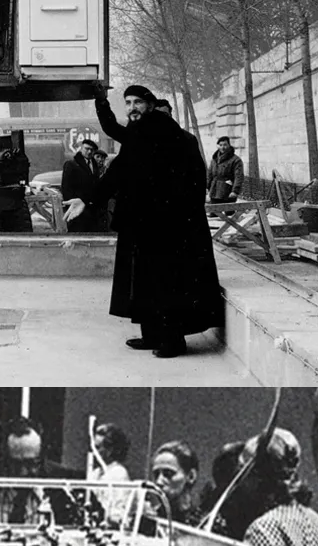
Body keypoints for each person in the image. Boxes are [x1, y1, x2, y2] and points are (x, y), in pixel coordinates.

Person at [90, 82, 224, 358]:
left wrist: (90, 199)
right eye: (127, 103)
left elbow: (190, 183)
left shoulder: (165, 133)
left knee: (165, 282)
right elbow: (119, 152)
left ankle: (173, 342)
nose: (132, 108)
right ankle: (151, 336)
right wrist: (101, 102)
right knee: (146, 281)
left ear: (152, 107)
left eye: (137, 102)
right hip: (148, 223)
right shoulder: (144, 134)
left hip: (168, 225)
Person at [0, 417, 83, 525]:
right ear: (5, 460)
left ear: (41, 458)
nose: (23, 472)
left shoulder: (61, 487)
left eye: (30, 464)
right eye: (16, 464)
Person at [60, 139, 110, 232]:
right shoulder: (71, 164)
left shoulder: (94, 166)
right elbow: (66, 188)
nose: (89, 151)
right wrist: (71, 205)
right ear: (81, 148)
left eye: (92, 150)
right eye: (87, 149)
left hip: (92, 210)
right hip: (77, 209)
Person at [150, 440, 204, 526]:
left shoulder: (204, 524)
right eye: (156, 475)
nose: (158, 482)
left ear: (191, 476)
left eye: (168, 474)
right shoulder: (147, 521)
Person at [208, 137, 244, 202]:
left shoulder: (235, 160)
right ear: (218, 146)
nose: (222, 147)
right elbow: (209, 175)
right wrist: (207, 187)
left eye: (225, 145)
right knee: (214, 211)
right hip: (214, 191)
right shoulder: (214, 159)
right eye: (220, 145)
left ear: (229, 145)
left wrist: (235, 191)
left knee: (229, 211)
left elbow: (238, 177)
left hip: (228, 192)